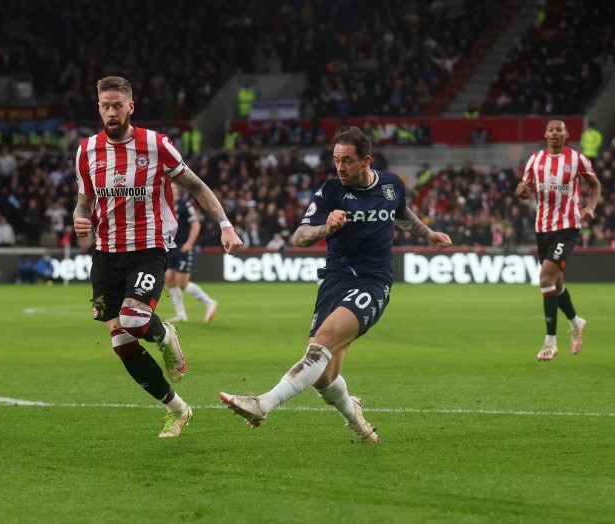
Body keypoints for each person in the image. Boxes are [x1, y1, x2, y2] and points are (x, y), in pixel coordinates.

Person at [219, 127, 452, 443]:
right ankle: (354, 415)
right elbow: (299, 237)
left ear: (365, 160)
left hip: (373, 283)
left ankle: (262, 404)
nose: (339, 167)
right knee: (323, 377)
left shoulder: (392, 185)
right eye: (336, 160)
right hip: (335, 281)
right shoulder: (330, 191)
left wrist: (428, 234)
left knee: (324, 341)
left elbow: (400, 213)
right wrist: (325, 228)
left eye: (347, 160)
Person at [73, 76, 243, 438]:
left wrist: (226, 225)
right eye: (105, 105)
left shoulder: (155, 145)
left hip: (147, 249)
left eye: (118, 105)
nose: (111, 111)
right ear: (99, 107)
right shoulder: (86, 150)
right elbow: (85, 200)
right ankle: (177, 408)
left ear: (130, 106)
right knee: (121, 342)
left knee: (135, 320)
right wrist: (80, 216)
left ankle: (166, 335)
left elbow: (196, 186)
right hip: (105, 254)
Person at [515, 117, 601, 361]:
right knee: (557, 283)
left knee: (545, 278)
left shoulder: (577, 159)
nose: (554, 134)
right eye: (551, 130)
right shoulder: (535, 160)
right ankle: (576, 321)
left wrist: (590, 207)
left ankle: (550, 342)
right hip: (543, 229)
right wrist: (520, 191)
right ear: (545, 134)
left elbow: (595, 185)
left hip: (569, 227)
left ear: (566, 134)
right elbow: (524, 188)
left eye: (559, 130)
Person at [164, 182, 219, 324]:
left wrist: (189, 243)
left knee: (182, 283)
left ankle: (210, 302)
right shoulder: (164, 204)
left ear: (177, 191)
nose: (170, 189)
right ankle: (181, 314)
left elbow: (196, 224)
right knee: (169, 279)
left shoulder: (184, 205)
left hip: (183, 247)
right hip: (170, 247)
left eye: (173, 188)